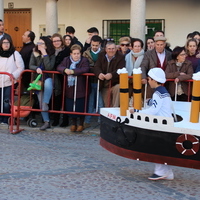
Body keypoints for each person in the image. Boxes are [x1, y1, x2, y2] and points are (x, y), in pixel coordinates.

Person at [130, 68, 174, 181]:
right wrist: (149, 101)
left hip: (161, 123)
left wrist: (137, 112)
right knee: (162, 148)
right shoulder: (163, 92)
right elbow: (158, 105)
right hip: (165, 122)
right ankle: (166, 171)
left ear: (154, 80)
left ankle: (160, 171)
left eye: (149, 79)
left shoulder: (158, 93)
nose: (148, 81)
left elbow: (153, 111)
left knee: (157, 148)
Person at [57, 44, 89, 132]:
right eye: (74, 54)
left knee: (81, 106)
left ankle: (81, 124)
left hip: (81, 86)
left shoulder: (84, 60)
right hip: (70, 87)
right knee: (71, 106)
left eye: (78, 54)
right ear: (71, 54)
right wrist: (64, 70)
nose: (76, 55)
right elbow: (59, 67)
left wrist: (73, 71)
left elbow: (85, 69)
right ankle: (73, 123)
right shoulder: (66, 60)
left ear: (80, 54)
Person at [29, 36, 55, 130]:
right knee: (40, 100)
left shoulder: (51, 54)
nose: (39, 45)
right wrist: (36, 68)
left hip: (48, 78)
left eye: (42, 43)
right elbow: (30, 65)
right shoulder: (34, 53)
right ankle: (46, 121)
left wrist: (45, 54)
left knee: (48, 83)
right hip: (38, 79)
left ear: (46, 45)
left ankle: (46, 102)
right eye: (38, 43)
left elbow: (49, 67)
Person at [0, 36, 24, 124]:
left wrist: (13, 75)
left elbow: (21, 67)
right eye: (4, 43)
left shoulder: (15, 54)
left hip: (9, 82)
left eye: (8, 43)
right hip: (0, 81)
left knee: (6, 101)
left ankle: (6, 119)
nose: (6, 45)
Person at [94, 42, 125, 107]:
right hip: (104, 85)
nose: (111, 50)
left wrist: (111, 75)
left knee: (118, 88)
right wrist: (99, 74)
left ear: (116, 49)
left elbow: (120, 69)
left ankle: (115, 110)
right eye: (109, 49)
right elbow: (96, 66)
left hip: (115, 83)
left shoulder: (121, 57)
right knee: (107, 105)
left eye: (113, 48)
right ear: (105, 49)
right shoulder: (101, 55)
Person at [83, 35, 104, 128]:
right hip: (90, 81)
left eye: (96, 45)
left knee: (100, 102)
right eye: (93, 45)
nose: (94, 47)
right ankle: (87, 121)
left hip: (101, 81)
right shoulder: (86, 53)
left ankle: (102, 122)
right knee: (90, 102)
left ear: (100, 44)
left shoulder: (103, 53)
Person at [51, 33, 70, 127]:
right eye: (54, 41)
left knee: (65, 98)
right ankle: (55, 119)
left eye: (58, 40)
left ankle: (65, 120)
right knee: (56, 99)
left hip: (64, 77)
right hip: (55, 77)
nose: (56, 43)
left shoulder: (66, 50)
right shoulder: (50, 51)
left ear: (61, 41)